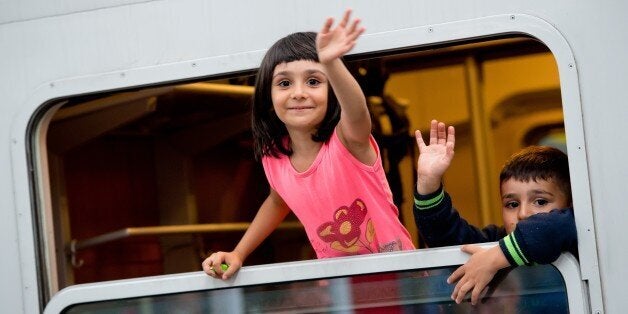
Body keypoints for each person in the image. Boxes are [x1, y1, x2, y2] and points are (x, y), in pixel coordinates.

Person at [202, 9, 415, 280]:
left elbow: (358, 111)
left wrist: (332, 64)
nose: (299, 92)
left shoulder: (347, 139)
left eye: (313, 81)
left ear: (331, 92)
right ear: (268, 96)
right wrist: (238, 253)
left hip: (399, 276)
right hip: (344, 286)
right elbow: (278, 201)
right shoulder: (274, 157)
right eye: (284, 83)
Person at [413, 119, 577, 305]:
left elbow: (563, 226)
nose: (523, 213)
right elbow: (447, 236)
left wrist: (498, 257)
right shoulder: (496, 243)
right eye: (512, 204)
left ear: (570, 205)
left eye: (540, 201)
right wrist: (428, 185)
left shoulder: (577, 235)